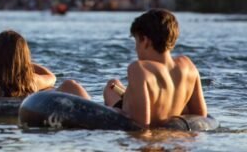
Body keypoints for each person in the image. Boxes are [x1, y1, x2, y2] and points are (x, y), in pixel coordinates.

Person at [59, 9, 207, 128]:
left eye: (136, 41)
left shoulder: (139, 69)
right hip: (170, 134)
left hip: (147, 140)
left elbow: (140, 125)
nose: (136, 48)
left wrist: (113, 112)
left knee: (70, 86)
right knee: (112, 86)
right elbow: (201, 117)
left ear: (145, 40)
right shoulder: (188, 66)